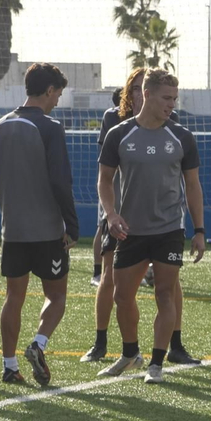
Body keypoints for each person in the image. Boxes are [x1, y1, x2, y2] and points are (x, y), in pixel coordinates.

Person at [98, 69, 208, 384]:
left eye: (175, 98)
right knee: (122, 296)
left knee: (165, 294)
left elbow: (193, 185)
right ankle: (130, 353)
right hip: (128, 229)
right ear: (146, 94)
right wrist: (111, 214)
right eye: (166, 97)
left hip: (169, 229)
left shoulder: (182, 137)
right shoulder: (118, 134)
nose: (172, 104)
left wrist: (199, 230)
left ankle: (157, 364)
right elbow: (104, 180)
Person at [0, 63, 79, 387]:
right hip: (46, 229)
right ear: (49, 91)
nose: (57, 100)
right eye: (58, 93)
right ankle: (38, 344)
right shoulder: (50, 127)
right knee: (56, 296)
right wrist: (71, 223)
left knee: (14, 297)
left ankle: (9, 365)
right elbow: (60, 180)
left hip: (11, 229)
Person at [90, 86, 124, 288]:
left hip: (135, 183)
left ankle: (149, 270)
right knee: (104, 225)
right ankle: (97, 272)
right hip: (112, 182)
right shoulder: (112, 117)